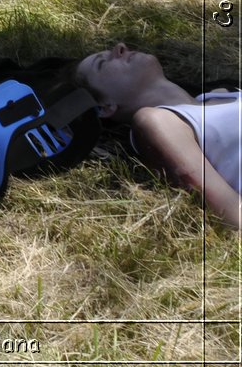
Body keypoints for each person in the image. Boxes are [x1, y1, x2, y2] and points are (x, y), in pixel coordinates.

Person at [74, 43, 242, 228]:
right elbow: (231, 211)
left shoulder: (224, 94)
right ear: (105, 107)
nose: (120, 47)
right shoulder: (158, 121)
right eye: (102, 63)